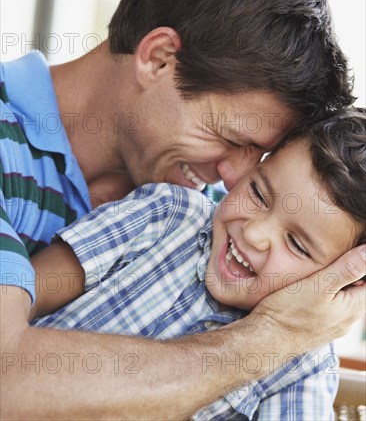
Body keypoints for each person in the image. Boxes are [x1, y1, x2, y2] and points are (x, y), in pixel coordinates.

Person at [1, 0, 365, 420]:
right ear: (159, 58)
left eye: (259, 158)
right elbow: (6, 378)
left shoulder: (211, 215)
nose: (235, 179)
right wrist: (268, 338)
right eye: (231, 138)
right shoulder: (165, 211)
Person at [29, 109, 366, 419]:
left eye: (296, 244)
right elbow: (23, 300)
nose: (254, 233)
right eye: (259, 194)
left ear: (345, 282)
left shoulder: (304, 365)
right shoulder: (166, 214)